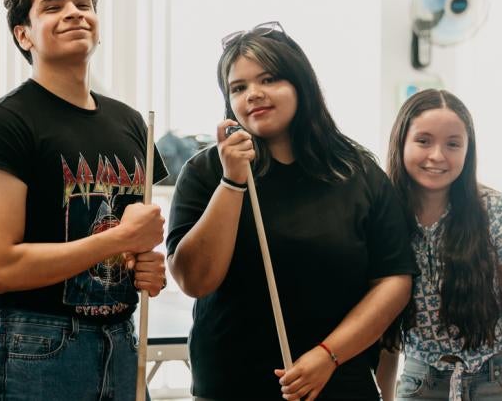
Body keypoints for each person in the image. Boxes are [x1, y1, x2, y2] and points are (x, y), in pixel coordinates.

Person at [166, 22, 415, 400]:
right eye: (239, 87)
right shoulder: (206, 171)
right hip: (232, 385)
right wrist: (232, 182)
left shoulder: (357, 171)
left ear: (301, 85)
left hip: (338, 380)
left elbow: (394, 279)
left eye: (268, 79)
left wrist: (327, 357)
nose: (253, 94)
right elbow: (195, 280)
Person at [0, 0, 168, 400]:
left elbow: (135, 245)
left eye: (83, 2)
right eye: (53, 5)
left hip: (123, 341)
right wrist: (116, 240)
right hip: (42, 348)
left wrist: (147, 267)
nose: (74, 11)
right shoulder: (5, 124)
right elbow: (2, 267)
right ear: (24, 34)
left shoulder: (131, 123)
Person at [377, 89, 502, 401]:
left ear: (468, 151)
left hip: (498, 381)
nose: (438, 155)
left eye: (453, 144)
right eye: (424, 141)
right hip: (419, 384)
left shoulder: (497, 212)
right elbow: (387, 336)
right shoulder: (382, 216)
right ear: (401, 142)